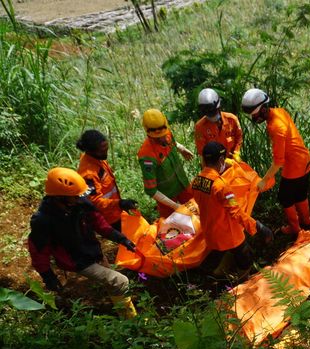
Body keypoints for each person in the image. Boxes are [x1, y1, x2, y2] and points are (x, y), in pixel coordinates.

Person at [28, 168, 138, 318]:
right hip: (76, 260)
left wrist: (121, 239)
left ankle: (119, 309)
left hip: (93, 250)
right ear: (60, 198)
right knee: (120, 281)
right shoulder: (43, 220)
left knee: (111, 284)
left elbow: (100, 224)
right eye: (75, 196)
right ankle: (131, 319)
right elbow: (39, 251)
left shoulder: (80, 203)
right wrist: (48, 276)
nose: (80, 198)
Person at [190, 141, 272, 275]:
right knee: (245, 259)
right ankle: (239, 280)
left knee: (222, 253)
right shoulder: (221, 186)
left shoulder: (196, 181)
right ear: (221, 159)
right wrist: (258, 227)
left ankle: (218, 272)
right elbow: (236, 211)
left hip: (209, 232)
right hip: (228, 234)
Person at [241, 88, 310, 234]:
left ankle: (295, 229)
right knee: (300, 194)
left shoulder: (276, 127)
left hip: (293, 166)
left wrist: (264, 180)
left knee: (285, 198)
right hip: (304, 160)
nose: (254, 119)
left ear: (263, 109)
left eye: (254, 115)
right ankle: (307, 221)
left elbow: (278, 162)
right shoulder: (280, 111)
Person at [137, 108, 195, 218]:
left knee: (196, 215)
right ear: (148, 132)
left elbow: (172, 142)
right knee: (173, 228)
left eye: (164, 134)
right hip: (167, 198)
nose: (163, 138)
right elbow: (151, 190)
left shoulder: (166, 132)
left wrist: (181, 148)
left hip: (183, 184)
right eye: (158, 138)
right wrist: (174, 206)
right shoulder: (147, 156)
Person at [76, 129, 138, 230]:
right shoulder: (88, 174)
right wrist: (120, 203)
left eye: (106, 148)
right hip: (108, 217)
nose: (106, 153)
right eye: (102, 151)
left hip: (116, 210)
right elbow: (95, 202)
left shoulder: (97, 159)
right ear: (91, 151)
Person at [194, 88, 243, 159]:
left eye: (213, 112)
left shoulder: (232, 119)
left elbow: (239, 136)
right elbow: (202, 152)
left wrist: (236, 152)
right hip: (213, 165)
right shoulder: (200, 127)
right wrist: (222, 163)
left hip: (233, 161)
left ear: (219, 106)